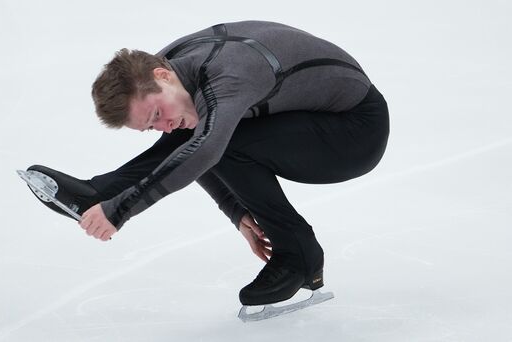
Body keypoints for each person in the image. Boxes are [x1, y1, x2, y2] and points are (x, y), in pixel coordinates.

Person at [26, 20, 389, 307]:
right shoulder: (169, 67)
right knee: (194, 126)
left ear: (162, 76)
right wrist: (235, 207)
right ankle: (98, 190)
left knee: (215, 136)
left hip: (354, 133)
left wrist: (120, 210)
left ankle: (299, 257)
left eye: (155, 115)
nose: (161, 127)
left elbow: (208, 150)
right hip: (303, 117)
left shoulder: (231, 73)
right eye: (149, 126)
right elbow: (192, 144)